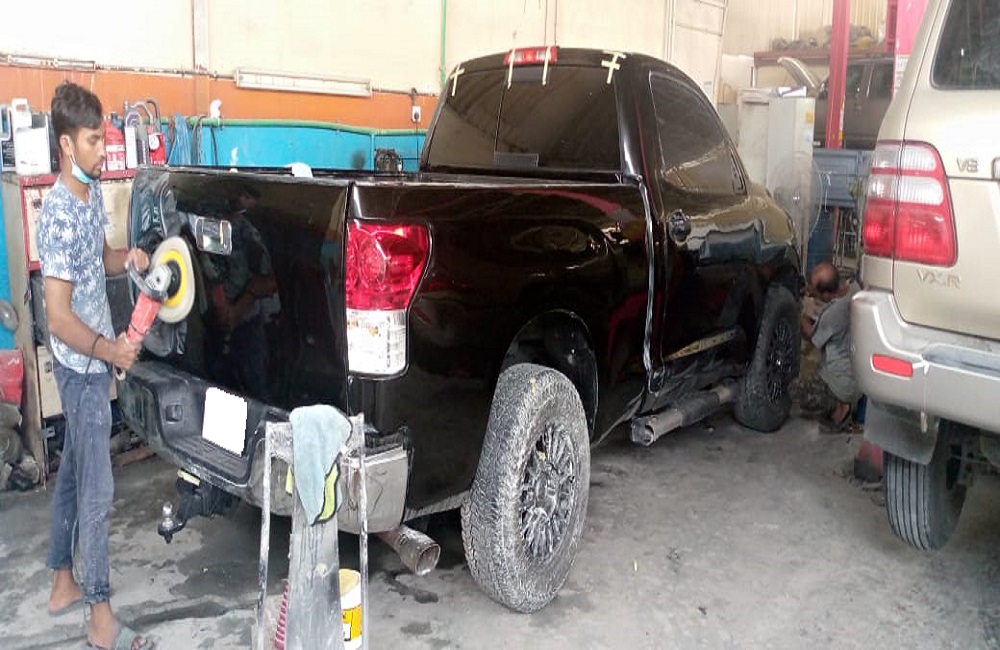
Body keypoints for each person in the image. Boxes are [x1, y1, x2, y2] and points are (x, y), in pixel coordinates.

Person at [37, 82, 155, 650]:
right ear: (66, 145)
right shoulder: (58, 215)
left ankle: (62, 582)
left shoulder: (90, 193)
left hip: (92, 361)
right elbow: (58, 317)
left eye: (103, 139)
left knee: (76, 472)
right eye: (92, 141)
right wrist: (110, 351)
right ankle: (100, 613)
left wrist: (126, 257)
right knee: (98, 491)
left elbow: (96, 260)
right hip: (80, 367)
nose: (103, 150)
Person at [202, 184, 277, 397]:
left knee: (255, 396)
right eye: (238, 193)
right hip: (215, 327)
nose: (240, 199)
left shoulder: (252, 232)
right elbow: (211, 271)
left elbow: (270, 281)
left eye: (248, 196)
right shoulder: (213, 224)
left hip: (247, 328)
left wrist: (238, 309)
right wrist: (221, 308)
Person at [795, 262, 861, 431]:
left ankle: (839, 409)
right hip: (859, 379)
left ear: (826, 295)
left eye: (815, 291)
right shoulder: (855, 291)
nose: (811, 293)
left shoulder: (832, 314)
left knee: (793, 390)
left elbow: (811, 337)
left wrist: (802, 313)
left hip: (839, 384)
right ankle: (844, 403)